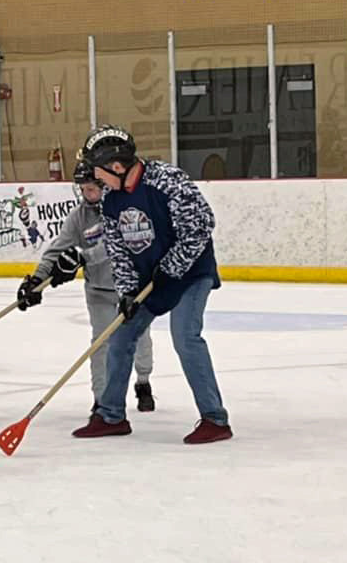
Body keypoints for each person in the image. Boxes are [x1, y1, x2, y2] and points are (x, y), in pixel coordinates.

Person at [69, 125, 231, 444]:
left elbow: (200, 226)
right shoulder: (111, 200)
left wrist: (171, 268)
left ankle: (215, 418)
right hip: (149, 280)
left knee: (185, 336)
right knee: (121, 335)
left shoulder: (166, 180)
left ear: (117, 166)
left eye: (100, 172)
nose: (97, 180)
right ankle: (111, 414)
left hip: (190, 274)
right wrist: (129, 290)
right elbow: (118, 251)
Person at [17, 160, 156, 412]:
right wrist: (37, 280)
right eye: (82, 189)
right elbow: (57, 249)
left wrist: (83, 255)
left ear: (105, 186)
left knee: (140, 338)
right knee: (100, 344)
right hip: (98, 291)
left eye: (90, 189)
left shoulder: (123, 209)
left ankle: (143, 381)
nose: (86, 194)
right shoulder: (78, 217)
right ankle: (101, 399)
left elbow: (116, 245)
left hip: (132, 288)